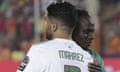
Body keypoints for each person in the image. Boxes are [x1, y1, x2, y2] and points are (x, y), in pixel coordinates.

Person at [17, 1, 94, 72]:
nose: (44, 25)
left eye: (46, 21)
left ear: (54, 27)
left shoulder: (40, 51)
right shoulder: (88, 58)